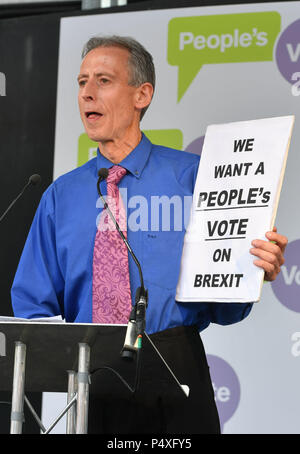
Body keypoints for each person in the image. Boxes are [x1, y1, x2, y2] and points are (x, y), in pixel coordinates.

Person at [11, 36, 287, 434]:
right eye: (81, 81)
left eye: (103, 80)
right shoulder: (61, 195)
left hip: (175, 364)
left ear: (142, 94)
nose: (87, 93)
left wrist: (252, 270)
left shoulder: (196, 178)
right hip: (90, 377)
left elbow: (226, 306)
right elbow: (32, 307)